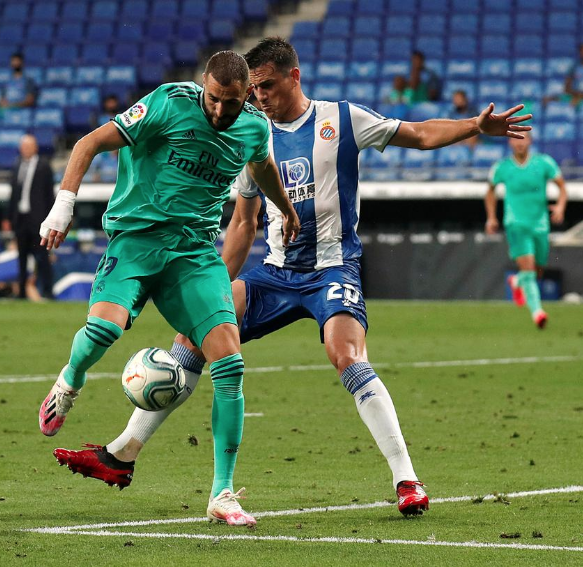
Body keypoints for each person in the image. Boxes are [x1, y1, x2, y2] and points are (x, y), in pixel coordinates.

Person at [53, 37, 531, 518]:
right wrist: (214, 290)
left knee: (345, 354)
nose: (258, 96)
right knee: (197, 338)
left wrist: (475, 125)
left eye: (265, 85)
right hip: (277, 273)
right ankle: (122, 455)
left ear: (293, 77)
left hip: (331, 268)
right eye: (252, 89)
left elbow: (421, 134)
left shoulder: (341, 119)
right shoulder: (247, 134)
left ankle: (406, 479)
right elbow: (242, 224)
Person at [37, 51, 300, 527]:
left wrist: (285, 207)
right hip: (137, 239)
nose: (222, 112)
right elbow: (89, 142)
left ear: (246, 97)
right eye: (216, 100)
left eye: (234, 103)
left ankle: (222, 493)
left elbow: (262, 169)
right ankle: (69, 379)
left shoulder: (253, 127)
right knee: (103, 331)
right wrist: (64, 206)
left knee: (230, 364)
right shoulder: (166, 103)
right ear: (204, 86)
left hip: (193, 254)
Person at [485, 132, 567, 329]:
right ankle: (538, 312)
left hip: (540, 225)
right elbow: (490, 191)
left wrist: (560, 207)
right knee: (529, 268)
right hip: (516, 224)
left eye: (523, 139)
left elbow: (562, 187)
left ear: (530, 141)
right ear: (509, 142)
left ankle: (517, 281)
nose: (519, 143)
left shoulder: (544, 163)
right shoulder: (502, 167)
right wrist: (491, 217)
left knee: (537, 270)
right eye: (515, 139)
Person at [4, 135, 55, 299]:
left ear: (35, 148)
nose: (25, 149)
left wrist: (50, 218)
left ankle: (48, 291)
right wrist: (9, 217)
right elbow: (13, 194)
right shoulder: (17, 165)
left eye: (28, 146)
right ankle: (22, 293)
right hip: (21, 218)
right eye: (23, 146)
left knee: (42, 257)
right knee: (22, 257)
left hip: (38, 220)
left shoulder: (44, 166)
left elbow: (49, 195)